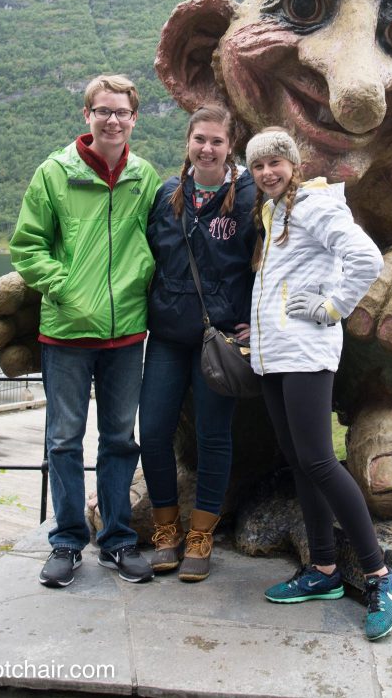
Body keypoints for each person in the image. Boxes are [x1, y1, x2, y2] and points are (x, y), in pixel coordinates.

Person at [245, 126, 392, 641]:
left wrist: (332, 308)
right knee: (299, 461)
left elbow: (366, 259)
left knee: (317, 460)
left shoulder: (313, 206)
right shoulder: (274, 213)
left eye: (276, 162)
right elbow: (287, 278)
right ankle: (323, 570)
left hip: (307, 354)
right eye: (258, 166)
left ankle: (382, 575)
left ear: (293, 164)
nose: (268, 172)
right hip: (276, 354)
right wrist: (260, 322)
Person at [9, 74, 161, 589]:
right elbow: (28, 247)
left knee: (120, 440)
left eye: (121, 112)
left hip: (126, 336)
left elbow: (157, 242)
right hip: (67, 333)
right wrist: (66, 288)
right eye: (103, 111)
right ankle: (68, 541)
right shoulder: (55, 173)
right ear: (87, 115)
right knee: (63, 439)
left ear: (134, 119)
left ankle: (117, 540)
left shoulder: (144, 176)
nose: (112, 119)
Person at [139, 103, 257, 582]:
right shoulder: (169, 194)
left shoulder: (248, 195)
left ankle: (202, 535)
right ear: (188, 142)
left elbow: (266, 259)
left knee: (213, 436)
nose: (207, 148)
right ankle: (166, 530)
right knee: (153, 431)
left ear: (230, 147)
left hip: (219, 337)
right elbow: (145, 255)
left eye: (217, 141)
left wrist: (256, 321)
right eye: (199, 140)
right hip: (167, 334)